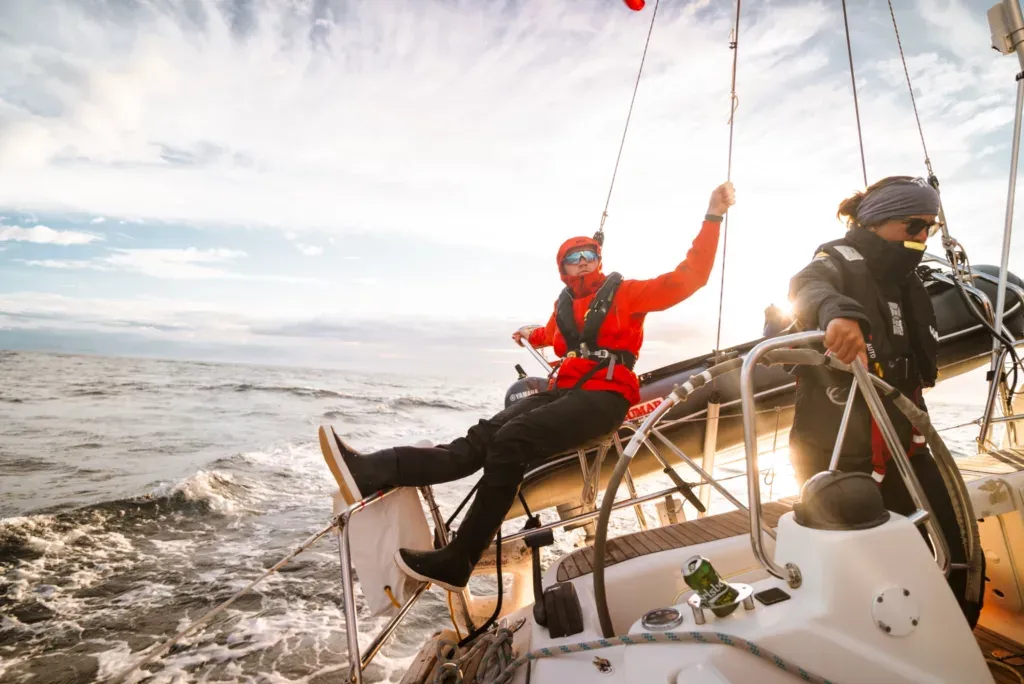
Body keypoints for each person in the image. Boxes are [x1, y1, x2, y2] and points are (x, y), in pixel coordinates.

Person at [318, 181, 736, 591]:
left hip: (605, 397)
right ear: (563, 269)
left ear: (599, 259)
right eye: (575, 258)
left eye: (590, 255)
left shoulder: (625, 294)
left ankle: (458, 559)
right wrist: (529, 334)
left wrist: (712, 215)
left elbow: (690, 277)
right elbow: (551, 335)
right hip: (565, 392)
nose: (584, 262)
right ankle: (373, 470)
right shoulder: (565, 309)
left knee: (512, 440)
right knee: (482, 438)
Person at [787, 175, 980, 626]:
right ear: (876, 221)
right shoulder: (835, 259)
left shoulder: (908, 281)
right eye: (913, 225)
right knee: (857, 570)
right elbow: (806, 286)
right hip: (837, 451)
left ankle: (958, 635)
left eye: (928, 228)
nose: (921, 238)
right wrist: (837, 314)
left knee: (957, 547)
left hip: (906, 442)